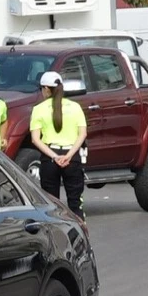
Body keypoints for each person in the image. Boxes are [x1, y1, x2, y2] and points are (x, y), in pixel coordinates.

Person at [30, 71, 88, 218]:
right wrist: (68, 155)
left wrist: (55, 157)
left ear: (45, 89)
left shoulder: (38, 109)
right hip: (72, 157)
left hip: (49, 158)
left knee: (51, 204)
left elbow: (35, 139)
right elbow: (82, 134)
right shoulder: (75, 107)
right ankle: (80, 233)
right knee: (75, 203)